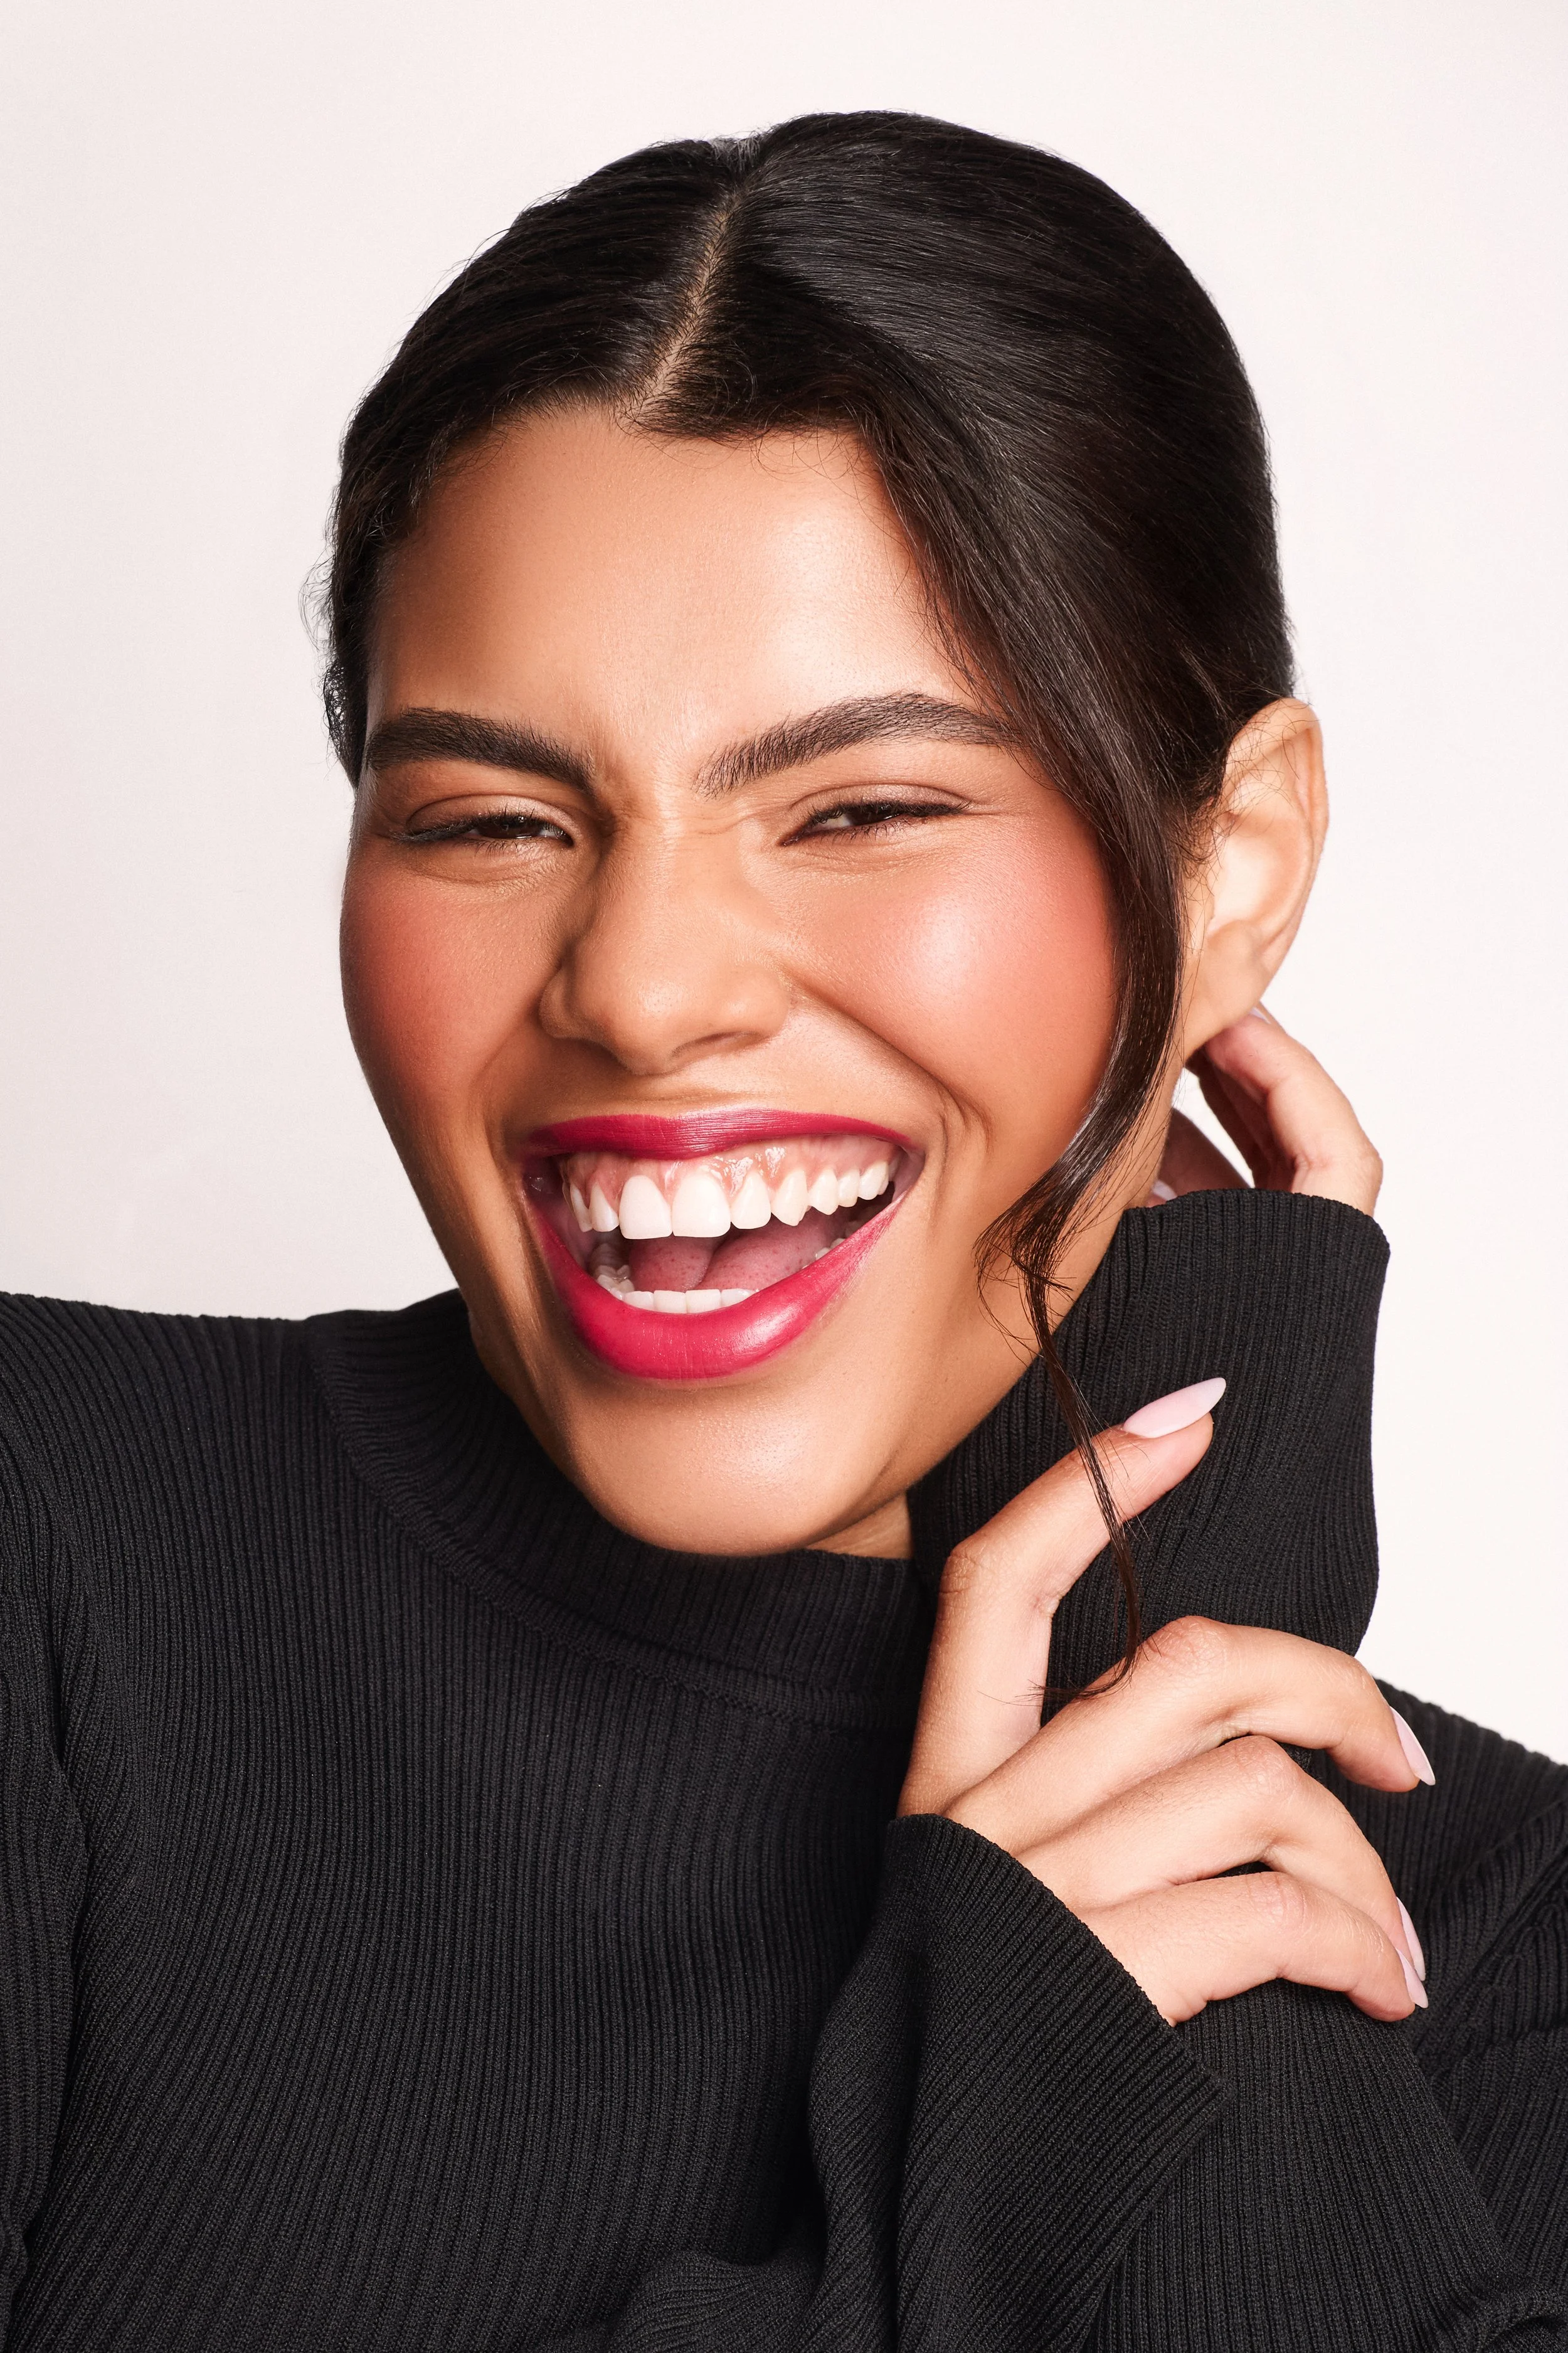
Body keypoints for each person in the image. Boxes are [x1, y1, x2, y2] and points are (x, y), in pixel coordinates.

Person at [2, 111, 1564, 2352]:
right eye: (492, 814)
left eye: (860, 805)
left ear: (1221, 872)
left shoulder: (1484, 1948)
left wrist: (1194, 1702)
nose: (639, 984)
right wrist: (992, 2135)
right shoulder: (54, 1558)